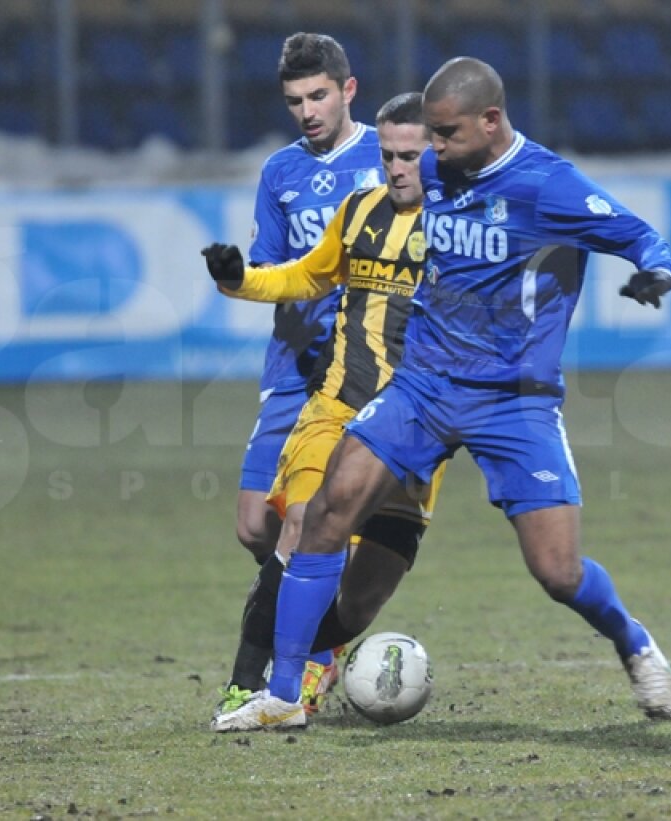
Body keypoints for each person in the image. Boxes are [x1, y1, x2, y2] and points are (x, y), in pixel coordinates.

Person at [214, 56, 671, 730]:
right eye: (426, 137)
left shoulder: (546, 185)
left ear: (490, 121)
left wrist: (655, 273)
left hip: (512, 399)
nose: (431, 150)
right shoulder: (433, 172)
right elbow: (339, 250)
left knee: (557, 571)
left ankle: (633, 641)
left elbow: (642, 237)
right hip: (423, 387)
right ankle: (283, 694)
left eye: (444, 134)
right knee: (324, 512)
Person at [202, 92, 442, 731]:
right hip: (337, 404)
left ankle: (311, 661)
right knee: (303, 523)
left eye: (410, 156)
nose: (396, 168)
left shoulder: (464, 230)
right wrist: (240, 281)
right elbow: (308, 275)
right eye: (388, 155)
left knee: (362, 600)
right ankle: (249, 687)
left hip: (416, 425)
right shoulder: (359, 210)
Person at [227, 32, 383, 692]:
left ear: (348, 90)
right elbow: (272, 270)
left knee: (309, 516)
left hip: (363, 367)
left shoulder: (387, 157)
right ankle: (319, 613)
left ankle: (304, 655)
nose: (307, 111)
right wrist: (245, 276)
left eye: (318, 96)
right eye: (295, 101)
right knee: (253, 525)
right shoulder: (280, 172)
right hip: (293, 363)